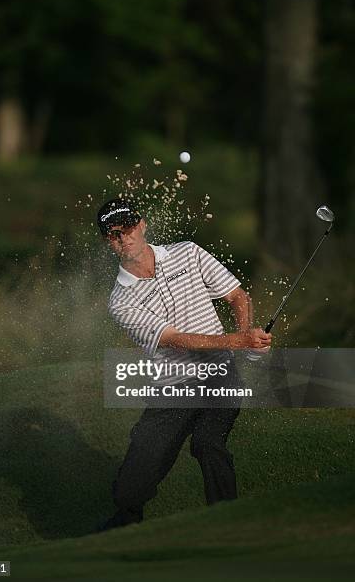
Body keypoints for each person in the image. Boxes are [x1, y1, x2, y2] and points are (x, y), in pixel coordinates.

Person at [97, 198, 271, 530]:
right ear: (109, 241)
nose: (125, 238)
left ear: (142, 225)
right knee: (129, 492)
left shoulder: (188, 252)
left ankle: (229, 525)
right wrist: (239, 342)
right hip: (172, 387)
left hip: (219, 374)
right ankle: (122, 533)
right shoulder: (120, 301)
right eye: (115, 233)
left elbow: (237, 295)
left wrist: (247, 334)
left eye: (129, 228)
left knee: (208, 443)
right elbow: (178, 340)